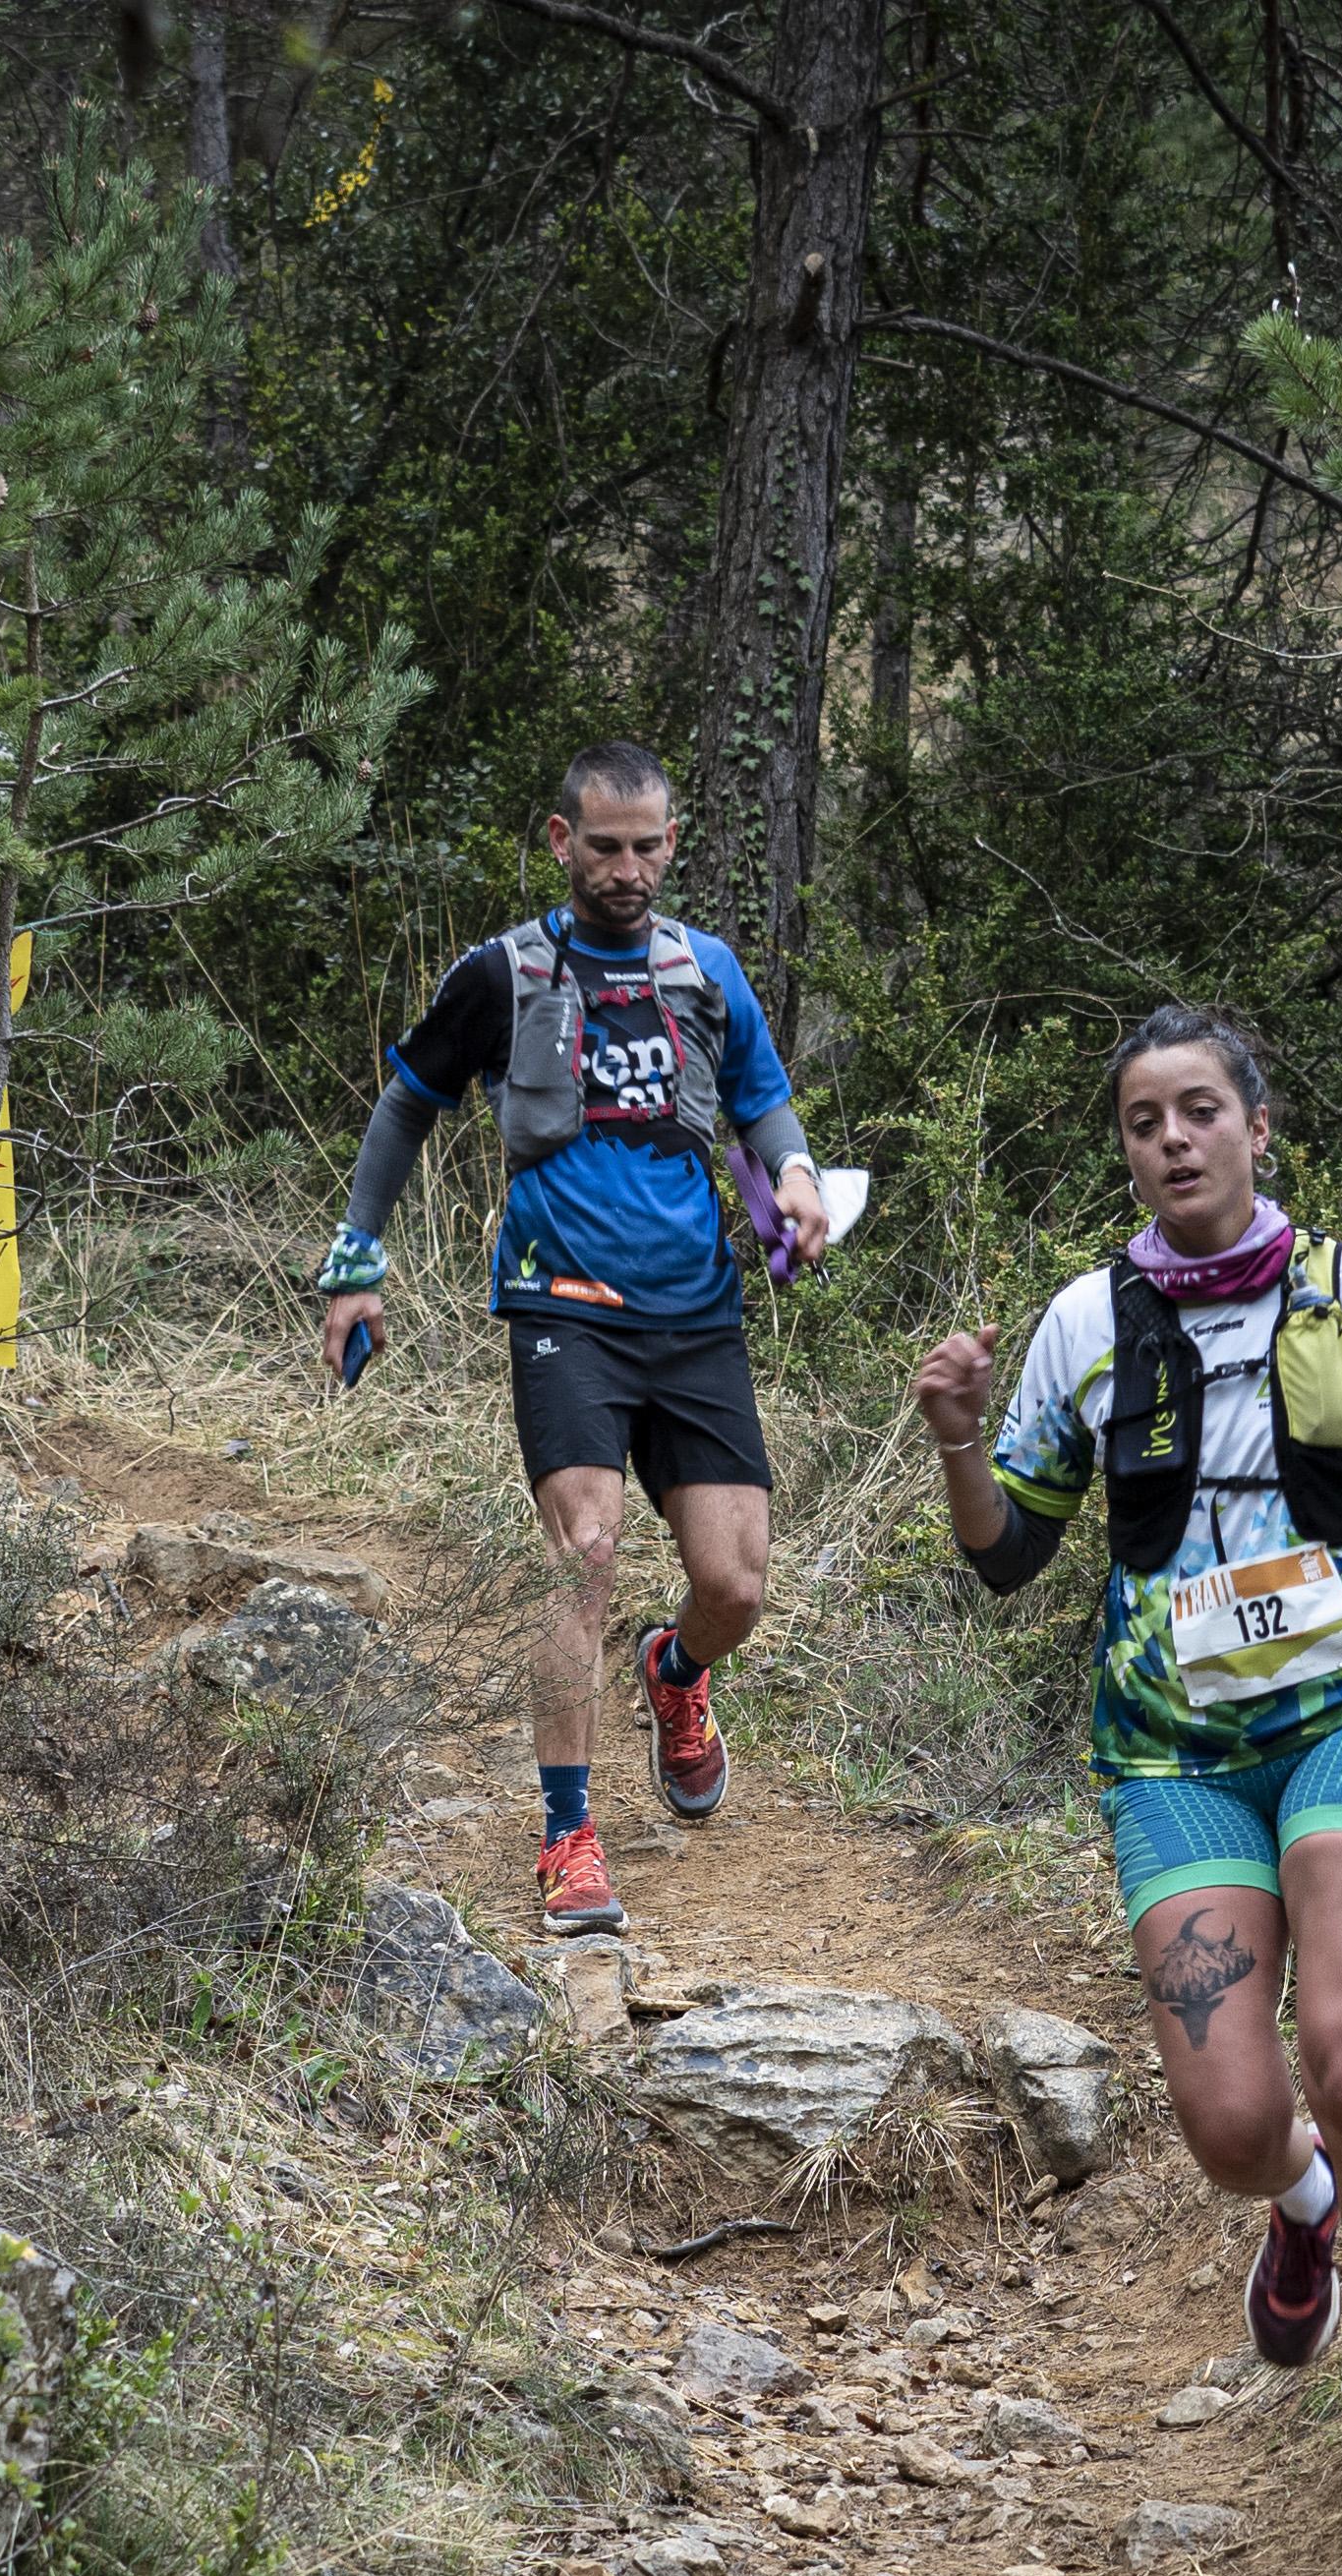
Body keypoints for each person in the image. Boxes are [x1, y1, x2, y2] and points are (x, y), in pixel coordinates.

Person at [907, 1007, 1342, 2524]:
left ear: (1258, 1128)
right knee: (1227, 2127)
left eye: (1201, 1111)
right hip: (1169, 1755)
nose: (1174, 1142)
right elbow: (1007, 1557)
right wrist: (955, 1440)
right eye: (1145, 1123)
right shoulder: (1085, 1327)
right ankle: (1304, 2207)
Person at [317, 742, 828, 1937]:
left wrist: (794, 1177)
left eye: (650, 846)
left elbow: (761, 1101)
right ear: (561, 841)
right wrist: (357, 1260)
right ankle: (567, 1834)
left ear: (672, 840)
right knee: (582, 1554)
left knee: (734, 1584)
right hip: (561, 1306)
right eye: (605, 846)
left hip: (695, 1314)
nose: (629, 869)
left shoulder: (705, 973)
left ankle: (679, 1673)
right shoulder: (503, 974)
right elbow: (407, 1104)